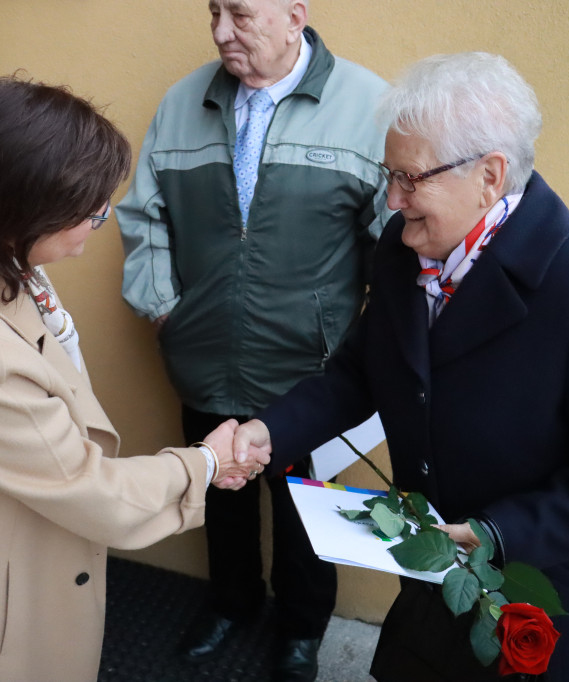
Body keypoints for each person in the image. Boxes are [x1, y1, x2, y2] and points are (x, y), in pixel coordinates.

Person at [232, 52, 569, 682]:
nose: (392, 200)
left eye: (410, 178)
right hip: (434, 594)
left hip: (545, 608)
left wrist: (498, 532)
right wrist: (267, 432)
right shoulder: (402, 249)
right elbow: (361, 373)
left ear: (489, 176)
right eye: (388, 175)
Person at [0, 76, 270, 682]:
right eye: (90, 210)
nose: (100, 219)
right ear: (22, 209)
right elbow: (91, 491)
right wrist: (208, 463)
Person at [116, 2, 389, 678]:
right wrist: (163, 307)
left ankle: (301, 630)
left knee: (305, 513)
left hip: (312, 372)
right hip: (205, 355)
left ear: (294, 14)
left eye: (239, 14)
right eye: (213, 12)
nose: (220, 33)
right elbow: (143, 214)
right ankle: (231, 603)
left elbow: (395, 240)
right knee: (220, 494)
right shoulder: (183, 103)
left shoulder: (367, 106)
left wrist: (373, 342)